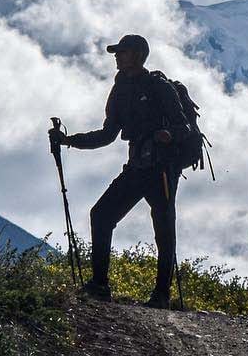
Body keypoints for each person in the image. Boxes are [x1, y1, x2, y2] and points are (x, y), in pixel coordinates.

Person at [50, 34, 181, 309]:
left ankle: (160, 296)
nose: (116, 56)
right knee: (103, 215)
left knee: (163, 229)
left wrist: (167, 134)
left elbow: (184, 128)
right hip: (139, 166)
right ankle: (100, 286)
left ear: (136, 55)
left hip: (161, 170)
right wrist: (69, 140)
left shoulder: (159, 87)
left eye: (122, 52)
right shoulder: (121, 89)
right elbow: (108, 134)